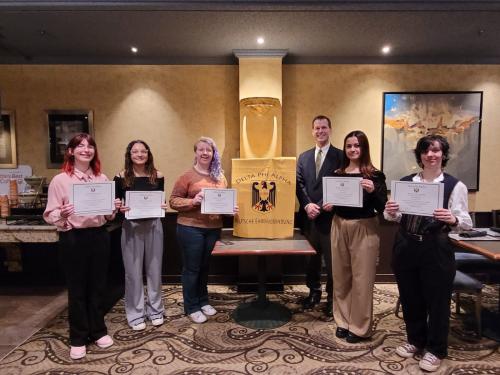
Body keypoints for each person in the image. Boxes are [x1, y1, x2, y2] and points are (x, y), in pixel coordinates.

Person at [384, 134, 472, 372]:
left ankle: (436, 349)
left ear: (443, 155)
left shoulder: (455, 185)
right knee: (410, 296)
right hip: (405, 245)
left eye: (436, 151)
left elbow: (466, 222)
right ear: (420, 155)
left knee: (438, 300)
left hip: (436, 247)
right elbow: (394, 216)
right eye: (426, 151)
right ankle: (415, 340)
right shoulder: (406, 182)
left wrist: (452, 218)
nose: (431, 155)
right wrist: (391, 210)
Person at [43, 133, 120, 360]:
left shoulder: (102, 178)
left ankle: (98, 331)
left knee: (98, 286)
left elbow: (107, 216)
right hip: (73, 238)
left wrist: (113, 207)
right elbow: (50, 214)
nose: (86, 150)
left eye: (90, 146)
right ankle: (78, 337)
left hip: (99, 236)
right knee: (77, 289)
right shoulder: (60, 180)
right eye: (80, 146)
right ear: (71, 151)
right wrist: (62, 213)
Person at [323, 130, 387, 343]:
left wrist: (373, 191)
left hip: (365, 227)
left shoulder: (375, 175)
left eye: (357, 146)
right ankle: (342, 321)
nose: (352, 149)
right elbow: (335, 201)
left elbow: (384, 208)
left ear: (364, 148)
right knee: (340, 277)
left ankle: (360, 327)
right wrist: (330, 204)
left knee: (362, 279)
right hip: (339, 225)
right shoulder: (337, 172)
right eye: (349, 145)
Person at [169, 136, 237, 324]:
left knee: (204, 267)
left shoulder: (220, 177)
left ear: (213, 153)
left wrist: (230, 210)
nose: (205, 153)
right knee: (191, 269)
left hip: (213, 229)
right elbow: (173, 201)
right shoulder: (187, 176)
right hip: (190, 229)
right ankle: (191, 307)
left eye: (209, 150)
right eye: (201, 149)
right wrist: (193, 201)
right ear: (196, 153)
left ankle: (203, 301)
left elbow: (223, 204)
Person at [114, 140, 168, 331]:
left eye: (143, 151)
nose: (139, 154)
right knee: (133, 273)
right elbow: (117, 204)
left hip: (154, 225)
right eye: (135, 152)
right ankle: (136, 313)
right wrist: (120, 208)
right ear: (129, 155)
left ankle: (156, 310)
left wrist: (163, 205)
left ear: (148, 154)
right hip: (131, 227)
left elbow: (160, 199)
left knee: (154, 271)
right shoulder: (120, 177)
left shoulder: (158, 175)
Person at [296, 115, 343, 316]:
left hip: (331, 218)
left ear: (330, 130)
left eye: (324, 127)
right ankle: (313, 293)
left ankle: (332, 300)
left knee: (333, 263)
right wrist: (307, 205)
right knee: (311, 260)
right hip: (308, 219)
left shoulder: (341, 156)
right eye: (317, 128)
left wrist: (321, 205)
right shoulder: (304, 156)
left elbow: (342, 183)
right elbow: (299, 184)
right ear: (312, 131)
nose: (320, 131)